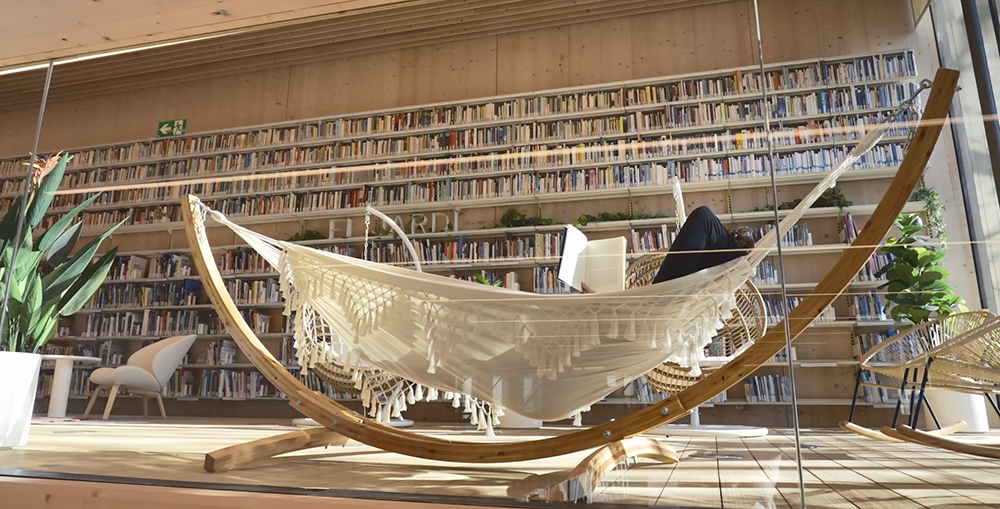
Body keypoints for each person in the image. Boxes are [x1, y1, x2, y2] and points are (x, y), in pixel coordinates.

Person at [652, 206, 755, 284]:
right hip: (674, 289)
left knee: (703, 215)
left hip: (671, 290)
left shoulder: (716, 240)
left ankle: (738, 256)